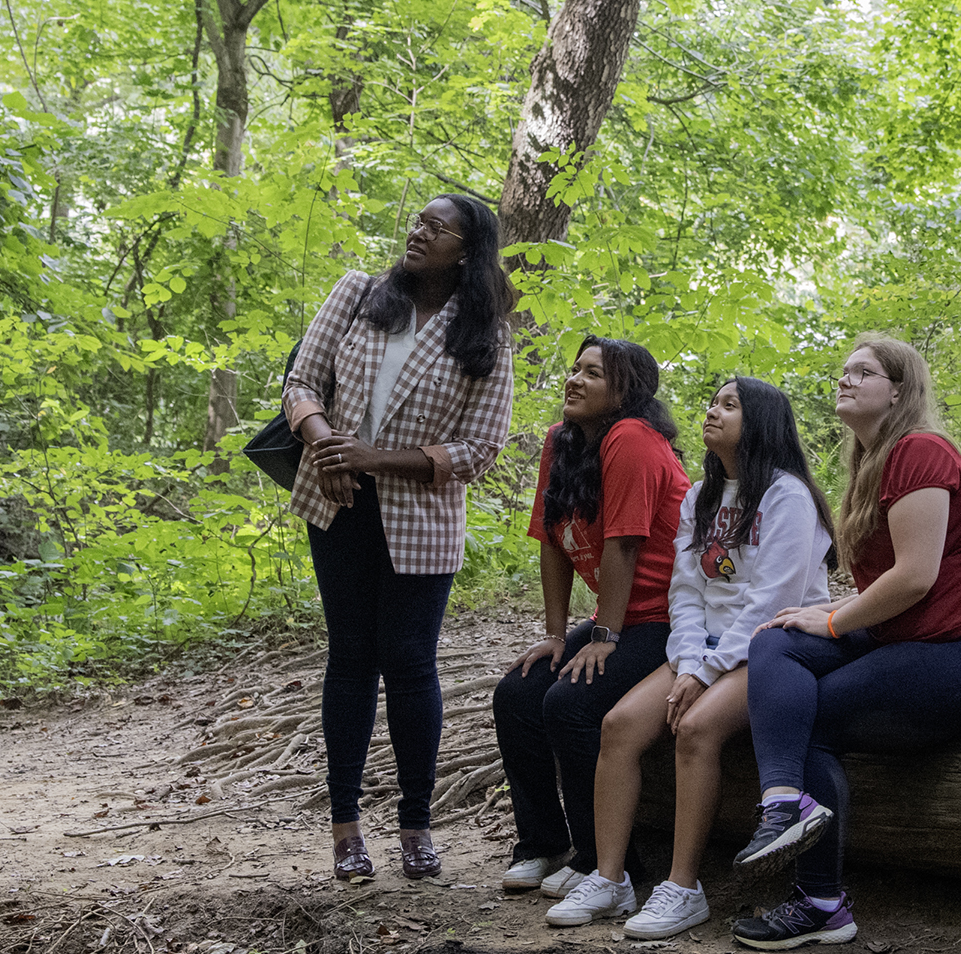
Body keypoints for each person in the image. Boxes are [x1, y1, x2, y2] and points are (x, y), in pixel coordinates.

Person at [730, 336, 961, 950]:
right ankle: (783, 801)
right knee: (776, 639)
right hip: (912, 635)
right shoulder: (870, 466)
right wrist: (825, 614)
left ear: (899, 390)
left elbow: (916, 576)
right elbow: (892, 588)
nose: (845, 379)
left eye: (863, 372)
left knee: (814, 714)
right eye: (843, 371)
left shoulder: (920, 449)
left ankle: (820, 904)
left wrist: (834, 622)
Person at [545, 377, 836, 937]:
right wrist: (687, 660)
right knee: (619, 725)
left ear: (761, 422)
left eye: (730, 405)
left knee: (696, 728)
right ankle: (610, 878)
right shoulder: (700, 495)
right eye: (713, 402)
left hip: (769, 647)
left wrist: (703, 673)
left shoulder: (788, 497)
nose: (712, 412)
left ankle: (683, 888)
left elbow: (770, 601)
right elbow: (685, 592)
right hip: (702, 650)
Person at [282, 194, 514, 882]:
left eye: (437, 228)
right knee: (351, 656)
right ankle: (346, 830)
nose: (419, 232)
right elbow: (301, 382)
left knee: (411, 662)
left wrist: (376, 458)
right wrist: (326, 447)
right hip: (339, 502)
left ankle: (416, 826)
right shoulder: (359, 293)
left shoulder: (485, 333)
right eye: (418, 221)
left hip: (422, 517)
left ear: (467, 252)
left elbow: (480, 447)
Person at [493, 336, 690, 899]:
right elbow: (552, 542)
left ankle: (605, 861)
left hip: (668, 619)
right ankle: (541, 843)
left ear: (624, 392)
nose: (574, 379)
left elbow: (624, 543)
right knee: (518, 692)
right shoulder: (562, 440)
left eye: (593, 373)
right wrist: (556, 636)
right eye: (575, 368)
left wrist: (604, 636)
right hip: (620, 617)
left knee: (572, 703)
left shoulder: (632, 438)